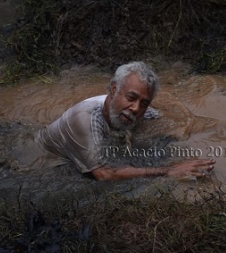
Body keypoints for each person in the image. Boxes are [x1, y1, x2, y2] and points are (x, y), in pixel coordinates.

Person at [36, 61, 215, 181]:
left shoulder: (133, 109)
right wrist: (169, 170)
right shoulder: (84, 119)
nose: (136, 108)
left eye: (143, 103)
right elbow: (104, 174)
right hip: (43, 161)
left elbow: (171, 121)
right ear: (114, 90)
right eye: (131, 97)